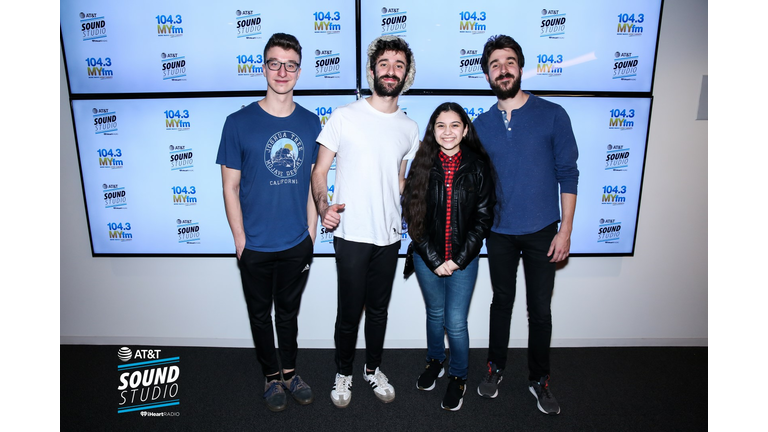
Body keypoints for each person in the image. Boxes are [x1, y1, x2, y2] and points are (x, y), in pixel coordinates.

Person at [311, 35, 419, 408]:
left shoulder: (410, 128)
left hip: (390, 234)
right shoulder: (344, 116)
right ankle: (344, 372)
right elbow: (319, 171)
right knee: (348, 311)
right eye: (385, 64)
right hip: (352, 231)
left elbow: (400, 180)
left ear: (407, 75)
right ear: (373, 70)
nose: (391, 71)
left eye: (399, 65)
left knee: (378, 311)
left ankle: (372, 369)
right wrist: (323, 205)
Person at [473, 35, 579, 415]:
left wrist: (564, 230)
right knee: (501, 303)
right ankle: (494, 368)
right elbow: (474, 182)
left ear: (521, 67)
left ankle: (540, 380)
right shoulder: (480, 125)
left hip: (543, 231)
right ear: (488, 74)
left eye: (510, 61)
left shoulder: (552, 114)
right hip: (498, 232)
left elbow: (568, 174)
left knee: (540, 310)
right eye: (496, 64)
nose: (504, 69)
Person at [216, 33, 320, 412]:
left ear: (299, 71)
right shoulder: (237, 122)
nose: (282, 71)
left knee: (288, 314)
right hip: (255, 246)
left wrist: (311, 233)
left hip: (296, 243)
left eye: (290, 64)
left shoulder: (311, 123)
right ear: (263, 67)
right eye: (275, 63)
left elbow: (314, 182)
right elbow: (230, 187)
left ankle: (290, 373)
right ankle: (271, 377)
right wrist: (240, 239)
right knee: (260, 316)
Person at [402, 102, 495, 411]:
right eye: (441, 125)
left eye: (455, 125)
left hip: (462, 261)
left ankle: (458, 376)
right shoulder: (422, 164)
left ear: (465, 129)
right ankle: (435, 361)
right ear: (433, 130)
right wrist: (433, 258)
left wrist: (457, 260)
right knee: (435, 314)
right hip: (427, 258)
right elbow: (413, 217)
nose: (448, 131)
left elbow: (483, 220)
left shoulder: (478, 166)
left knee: (455, 323)